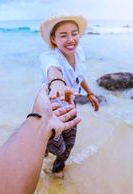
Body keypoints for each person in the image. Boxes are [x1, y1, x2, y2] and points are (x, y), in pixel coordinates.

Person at [39, 14, 100, 177]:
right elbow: (52, 70)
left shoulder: (79, 52)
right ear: (53, 39)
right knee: (58, 146)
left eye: (74, 33)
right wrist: (58, 83)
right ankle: (42, 154)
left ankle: (56, 173)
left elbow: (79, 75)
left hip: (71, 106)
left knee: (69, 145)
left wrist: (90, 93)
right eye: (63, 35)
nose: (70, 39)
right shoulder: (49, 56)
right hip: (52, 109)